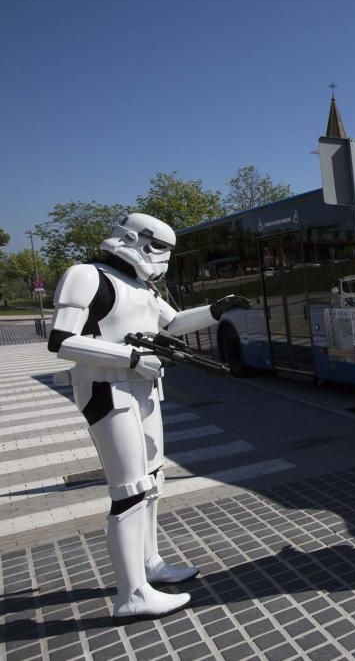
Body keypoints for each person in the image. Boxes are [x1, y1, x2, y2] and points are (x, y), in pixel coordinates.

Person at [47, 213, 249, 622]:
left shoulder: (142, 286)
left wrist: (216, 309)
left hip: (145, 390)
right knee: (130, 491)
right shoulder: (86, 276)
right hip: (109, 391)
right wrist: (131, 357)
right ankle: (132, 593)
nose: (162, 259)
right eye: (158, 247)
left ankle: (150, 563)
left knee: (153, 481)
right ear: (133, 239)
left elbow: (171, 322)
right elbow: (63, 340)